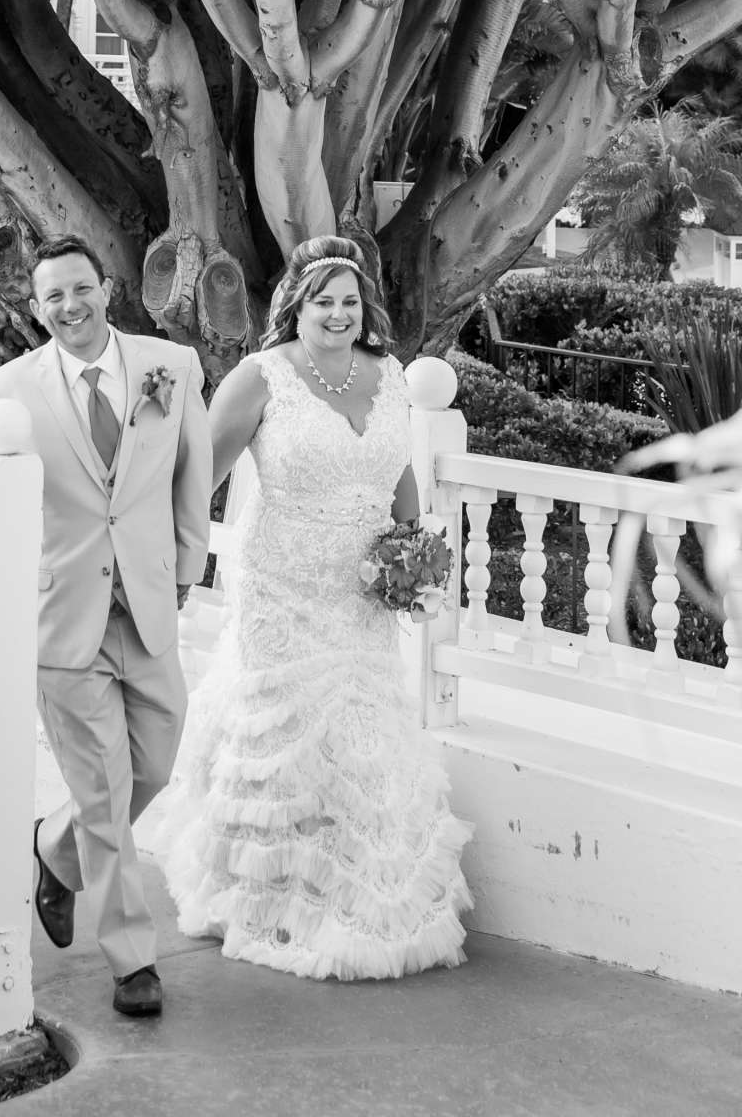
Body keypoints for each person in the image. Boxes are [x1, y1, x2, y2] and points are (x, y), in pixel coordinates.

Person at [146, 234, 471, 980]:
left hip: (363, 594)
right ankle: (267, 900)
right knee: (286, 734)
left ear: (366, 309)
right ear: (295, 304)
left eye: (350, 301)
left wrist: (413, 553)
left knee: (364, 736)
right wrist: (173, 564)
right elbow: (201, 478)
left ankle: (364, 899)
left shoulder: (389, 375)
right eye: (323, 300)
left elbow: (400, 479)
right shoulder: (260, 378)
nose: (338, 313)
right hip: (281, 587)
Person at [0, 236, 211, 1019]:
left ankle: (53, 847)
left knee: (157, 763)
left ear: (106, 288)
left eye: (80, 289)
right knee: (106, 798)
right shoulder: (5, 391)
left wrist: (183, 568)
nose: (69, 308)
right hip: (63, 617)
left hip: (147, 607)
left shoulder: (168, 369)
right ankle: (132, 960)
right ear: (35, 308)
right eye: (52, 299)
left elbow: (192, 475)